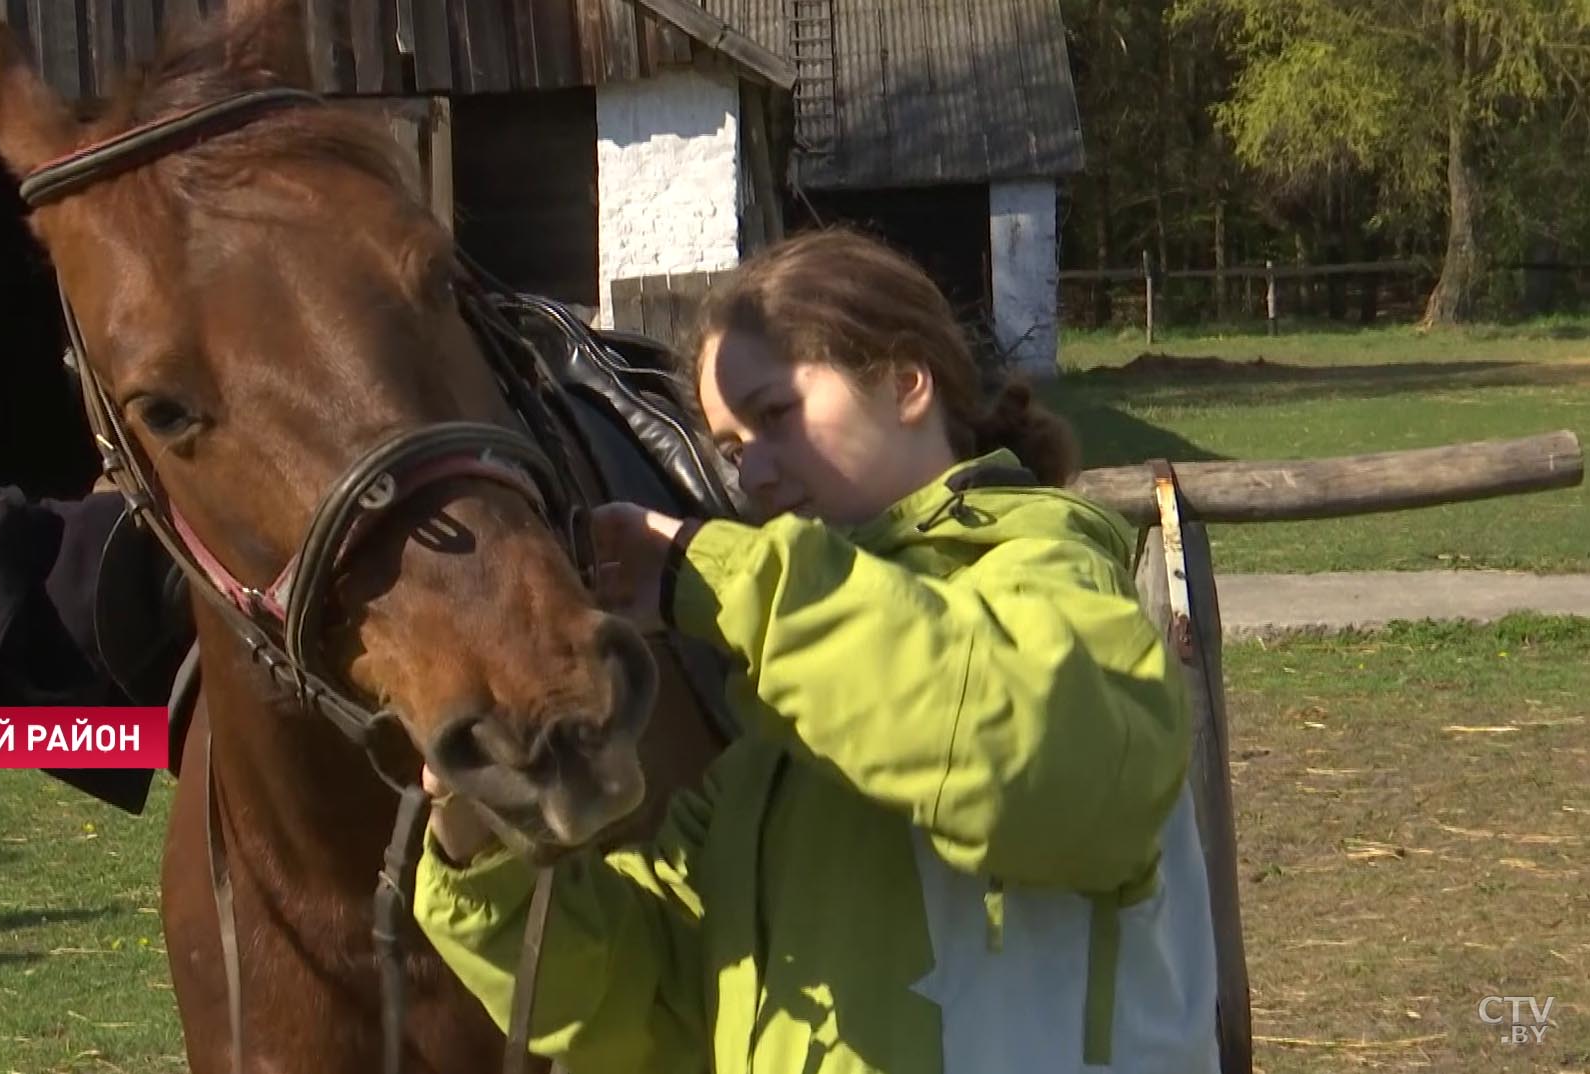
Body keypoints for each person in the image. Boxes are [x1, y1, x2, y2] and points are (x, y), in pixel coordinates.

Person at [411, 229, 1219, 1073]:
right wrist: (477, 841)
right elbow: (640, 999)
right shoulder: (776, 755)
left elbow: (1012, 757)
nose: (752, 476)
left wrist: (711, 573)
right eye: (730, 448)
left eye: (775, 416)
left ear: (907, 383)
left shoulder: (1055, 581)